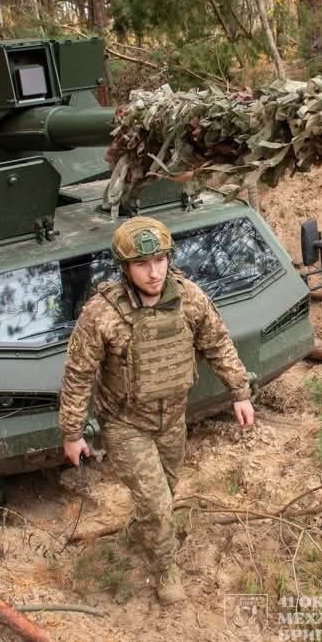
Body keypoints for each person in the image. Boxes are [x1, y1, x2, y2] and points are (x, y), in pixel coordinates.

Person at [58, 216, 255, 604]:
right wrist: (72, 432)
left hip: (173, 419)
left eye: (161, 261)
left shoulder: (190, 298)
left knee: (166, 491)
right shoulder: (102, 314)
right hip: (125, 424)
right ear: (125, 268)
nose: (154, 272)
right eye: (142, 264)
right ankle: (166, 568)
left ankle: (137, 531)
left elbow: (218, 343)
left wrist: (240, 392)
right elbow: (78, 373)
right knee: (160, 505)